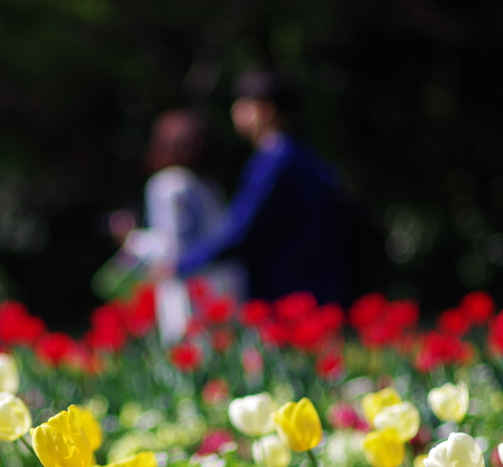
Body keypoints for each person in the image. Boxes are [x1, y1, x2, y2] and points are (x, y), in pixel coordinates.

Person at [172, 70, 347, 303]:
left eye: (242, 105)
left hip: (289, 288)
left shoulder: (274, 161)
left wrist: (181, 265)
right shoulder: (305, 157)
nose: (235, 112)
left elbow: (239, 229)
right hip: (321, 282)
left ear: (265, 110)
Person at [119, 109, 246, 341]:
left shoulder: (168, 184)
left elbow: (173, 246)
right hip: (225, 284)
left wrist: (132, 241)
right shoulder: (208, 185)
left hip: (189, 290)